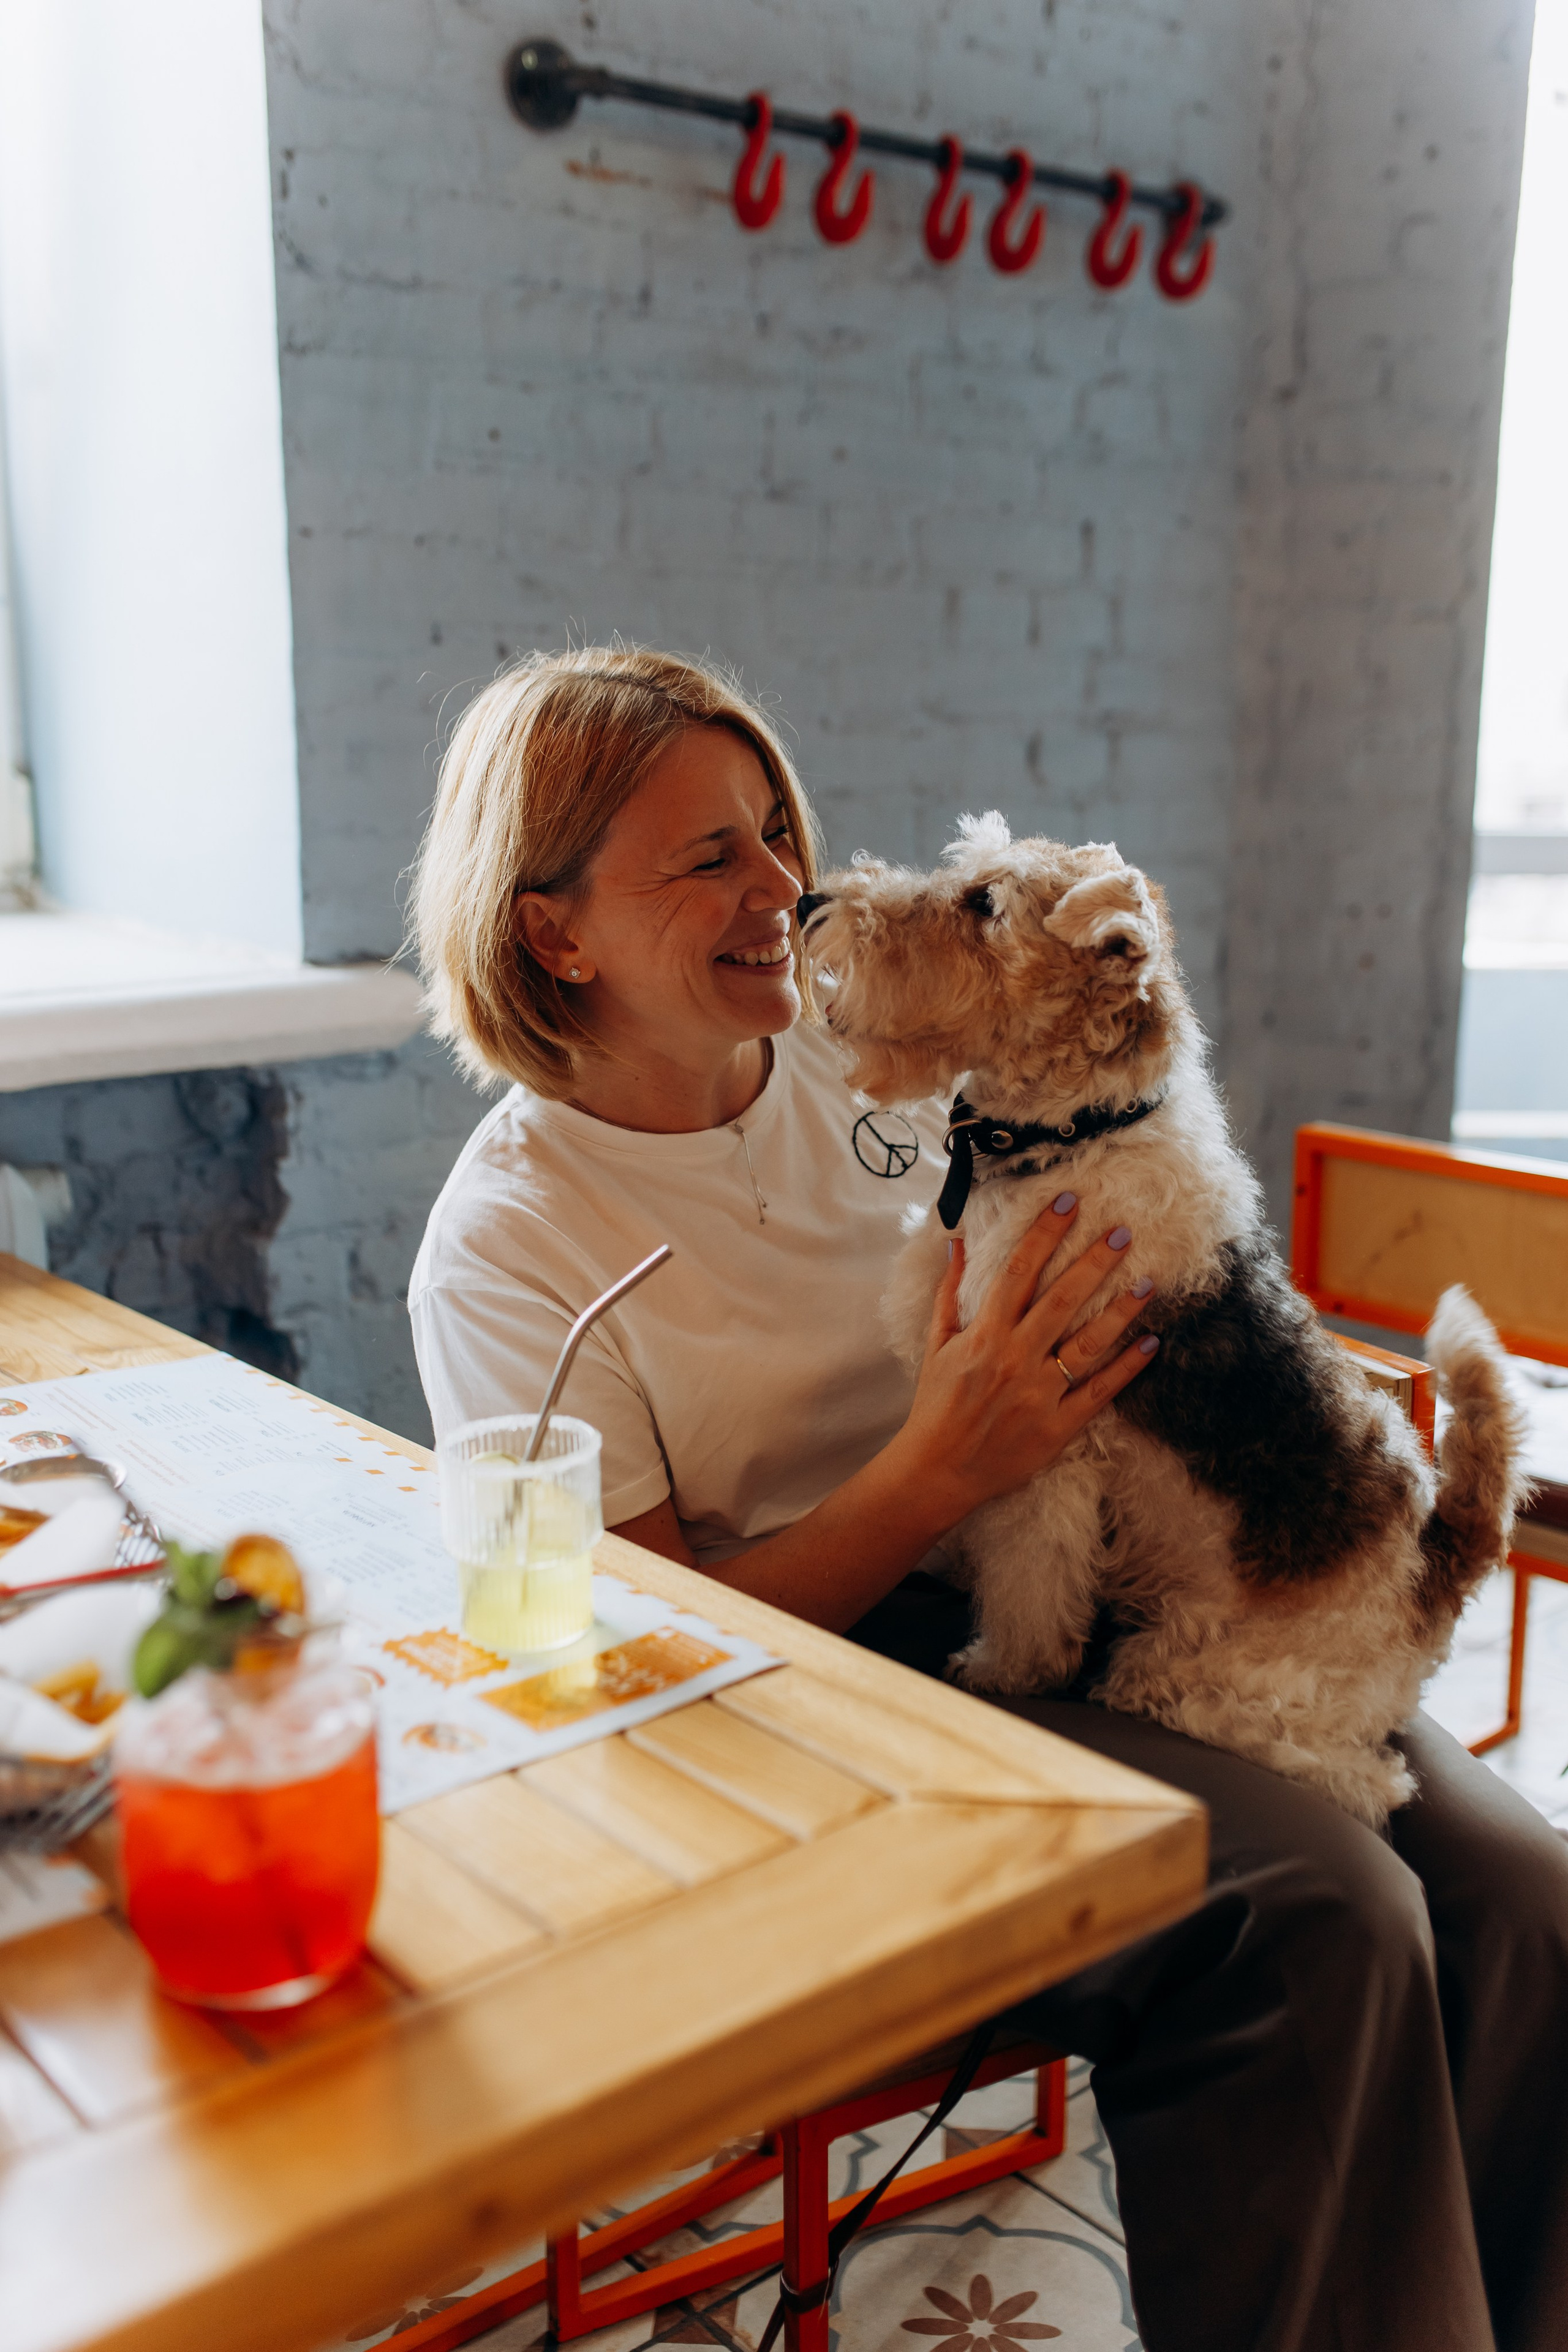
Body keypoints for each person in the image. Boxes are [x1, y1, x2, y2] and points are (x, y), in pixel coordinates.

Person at [408, 644, 1568, 2352]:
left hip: (1085, 1567)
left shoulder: (854, 1053)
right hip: (822, 1686)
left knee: (1527, 1895)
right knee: (1329, 1915)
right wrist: (941, 1467)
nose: (782, 891)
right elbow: (630, 1651)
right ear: (552, 930)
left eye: (774, 832)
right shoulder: (509, 1245)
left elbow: (1124, 1178)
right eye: (707, 857)